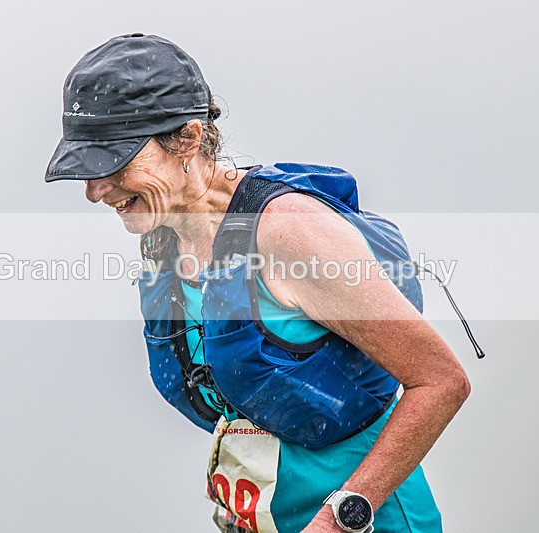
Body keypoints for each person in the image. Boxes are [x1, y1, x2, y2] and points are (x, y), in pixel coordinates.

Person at [46, 33, 473, 533]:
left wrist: (341, 517)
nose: (96, 191)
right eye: (86, 169)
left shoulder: (286, 232)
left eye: (113, 163)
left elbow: (441, 381)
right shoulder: (164, 240)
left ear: (185, 139)